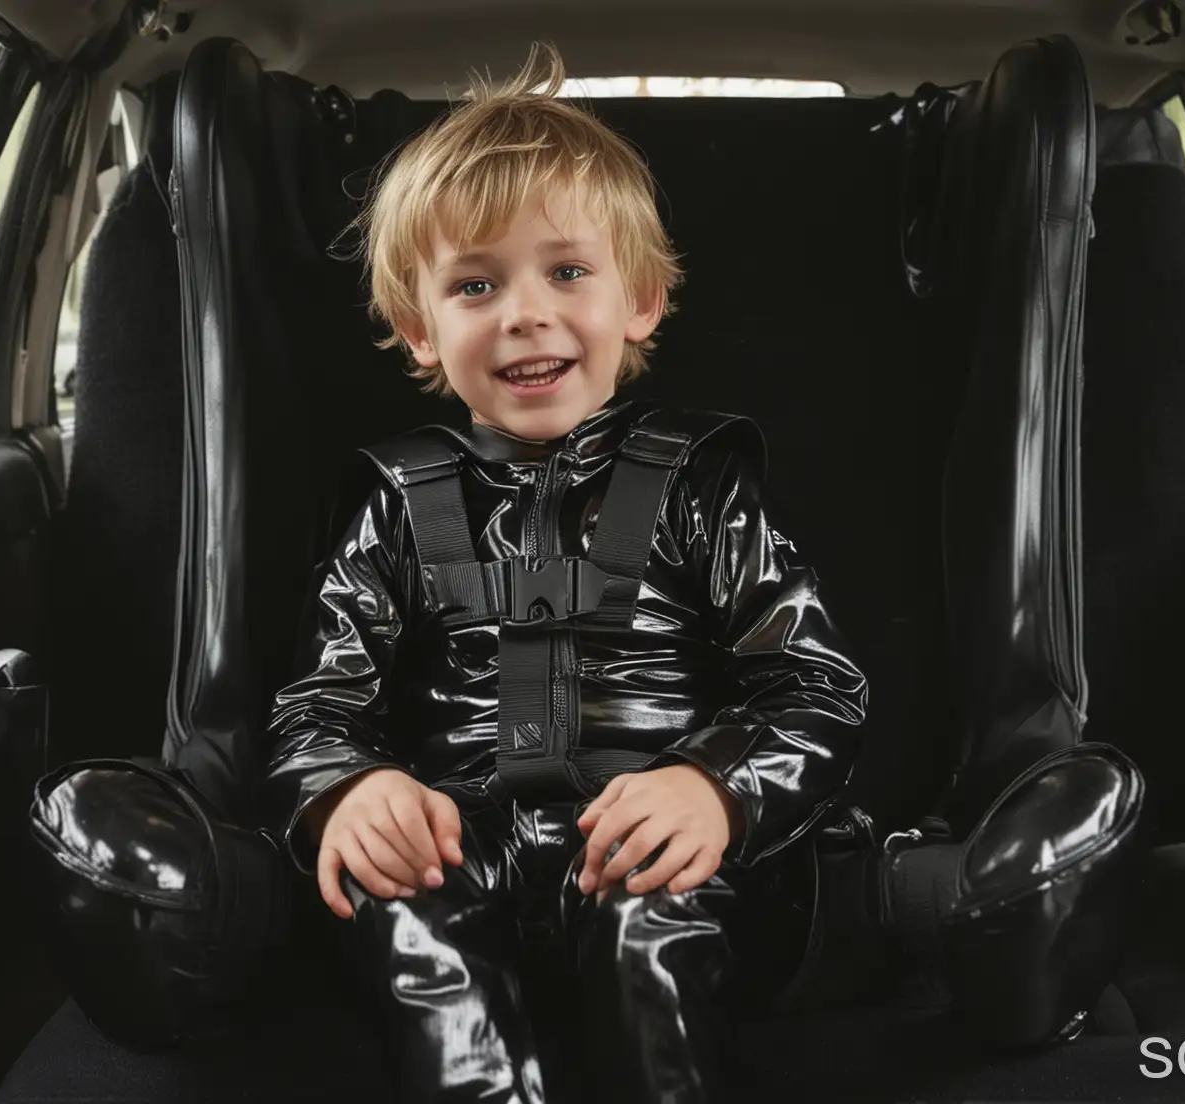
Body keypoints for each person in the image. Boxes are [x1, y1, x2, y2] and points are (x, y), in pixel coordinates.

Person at [258, 41, 869, 1104]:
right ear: (421, 327)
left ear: (639, 300)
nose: (524, 312)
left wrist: (715, 788)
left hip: (657, 850)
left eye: (568, 271)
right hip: (466, 849)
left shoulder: (698, 487)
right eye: (476, 283)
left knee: (651, 931)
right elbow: (320, 700)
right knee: (405, 918)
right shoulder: (401, 504)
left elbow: (816, 688)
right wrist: (349, 790)